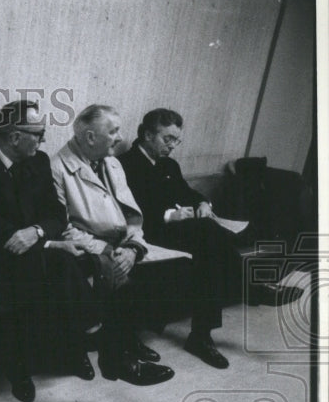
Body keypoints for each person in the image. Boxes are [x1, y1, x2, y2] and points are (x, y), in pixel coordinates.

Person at [119, 108, 302, 368]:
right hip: (150, 232)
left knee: (211, 253)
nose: (172, 146)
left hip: (181, 231)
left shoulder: (170, 164)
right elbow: (132, 210)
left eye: (176, 140)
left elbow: (187, 192)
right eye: (167, 139)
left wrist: (203, 202)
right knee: (209, 237)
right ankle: (249, 289)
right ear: (148, 134)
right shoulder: (125, 164)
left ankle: (202, 335)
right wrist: (171, 215)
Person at [0, 99, 100, 402]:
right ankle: (18, 366)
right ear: (15, 136)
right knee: (32, 269)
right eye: (38, 133)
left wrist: (38, 234)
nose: (43, 141)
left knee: (66, 261)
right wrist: (39, 242)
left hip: (34, 247)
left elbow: (57, 215)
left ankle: (76, 346)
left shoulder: (39, 161)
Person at [49, 104, 176, 386]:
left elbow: (132, 216)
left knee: (152, 271)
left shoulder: (112, 162)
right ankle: (119, 358)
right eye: (113, 131)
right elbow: (62, 227)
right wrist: (106, 251)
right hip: (89, 249)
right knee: (116, 275)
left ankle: (125, 347)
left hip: (121, 245)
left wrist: (132, 248)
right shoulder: (57, 168)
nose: (120, 138)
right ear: (91, 137)